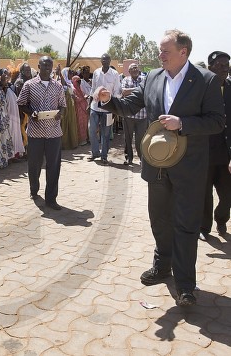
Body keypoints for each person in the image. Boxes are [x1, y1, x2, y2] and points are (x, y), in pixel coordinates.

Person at [95, 29, 225, 306]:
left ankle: (186, 285)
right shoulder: (153, 77)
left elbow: (217, 121)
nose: (159, 55)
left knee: (186, 225)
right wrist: (108, 101)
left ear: (183, 52)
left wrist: (184, 124)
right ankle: (162, 266)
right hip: (156, 165)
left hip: (189, 168)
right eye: (159, 51)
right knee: (159, 220)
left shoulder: (206, 80)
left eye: (165, 51)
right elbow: (132, 105)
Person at [17, 56, 66, 210]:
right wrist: (32, 113)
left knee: (54, 166)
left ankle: (51, 199)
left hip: (54, 132)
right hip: (35, 133)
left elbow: (63, 106)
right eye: (44, 66)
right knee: (34, 164)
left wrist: (60, 114)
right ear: (38, 66)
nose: (47, 69)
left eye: (50, 66)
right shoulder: (29, 85)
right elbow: (21, 104)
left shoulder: (58, 86)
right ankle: (34, 189)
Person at [200, 51, 231, 241]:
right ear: (211, 67)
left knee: (227, 193)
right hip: (205, 151)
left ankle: (221, 218)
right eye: (220, 64)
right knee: (204, 194)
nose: (225, 68)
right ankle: (204, 227)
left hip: (226, 152)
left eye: (227, 64)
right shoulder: (201, 89)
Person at [89, 54, 121, 164]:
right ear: (101, 61)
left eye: (107, 59)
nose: (105, 61)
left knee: (106, 134)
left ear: (110, 60)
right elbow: (93, 88)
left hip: (108, 108)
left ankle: (104, 156)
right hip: (95, 107)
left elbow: (117, 91)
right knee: (92, 130)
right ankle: (95, 153)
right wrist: (89, 102)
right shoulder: (96, 72)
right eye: (103, 59)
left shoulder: (115, 74)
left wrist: (114, 109)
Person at [121, 63, 148, 165]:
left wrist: (131, 91)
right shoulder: (126, 80)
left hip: (142, 116)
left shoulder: (144, 79)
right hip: (128, 115)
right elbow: (123, 92)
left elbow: (146, 91)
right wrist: (139, 90)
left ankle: (142, 159)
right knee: (128, 138)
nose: (135, 69)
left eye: (136, 67)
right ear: (129, 71)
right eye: (132, 68)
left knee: (140, 139)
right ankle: (129, 158)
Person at [71, 76, 89, 146]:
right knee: (80, 124)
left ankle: (85, 138)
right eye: (78, 82)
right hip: (78, 109)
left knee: (84, 124)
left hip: (84, 108)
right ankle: (81, 140)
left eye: (80, 81)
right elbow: (76, 99)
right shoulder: (73, 89)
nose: (79, 83)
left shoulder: (79, 88)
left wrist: (85, 97)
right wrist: (83, 98)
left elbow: (83, 95)